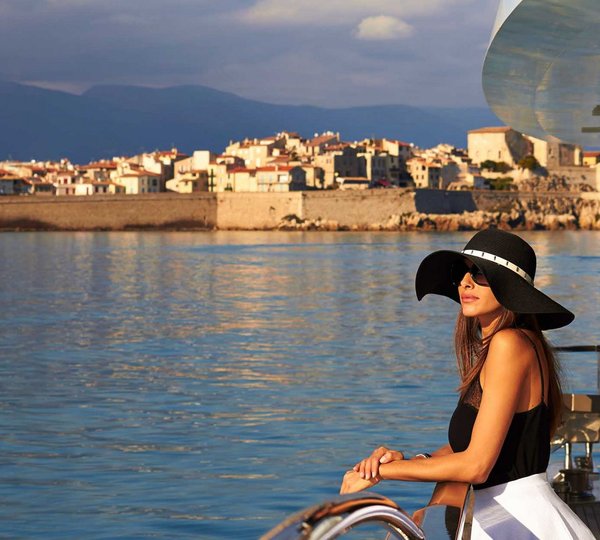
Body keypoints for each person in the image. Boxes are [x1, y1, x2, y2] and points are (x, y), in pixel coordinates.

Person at [340, 229, 594, 539]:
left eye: (480, 274)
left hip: (518, 522)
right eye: (462, 271)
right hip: (507, 515)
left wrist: (378, 472)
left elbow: (476, 466)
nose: (465, 282)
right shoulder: (516, 343)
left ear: (510, 288)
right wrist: (413, 460)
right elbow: (471, 444)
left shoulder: (508, 344)